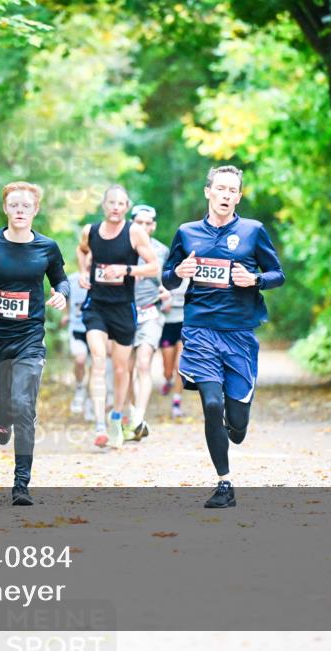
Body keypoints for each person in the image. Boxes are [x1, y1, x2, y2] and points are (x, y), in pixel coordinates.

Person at [162, 166, 284, 508]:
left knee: (238, 427)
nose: (226, 195)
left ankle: (237, 423)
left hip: (239, 333)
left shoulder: (252, 231)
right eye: (221, 188)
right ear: (208, 192)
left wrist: (255, 280)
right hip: (200, 330)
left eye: (233, 190)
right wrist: (178, 272)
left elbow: (277, 274)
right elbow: (168, 278)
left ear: (239, 197)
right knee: (212, 405)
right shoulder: (187, 233)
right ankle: (224, 483)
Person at [0, 181, 69, 506]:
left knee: (24, 406)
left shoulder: (47, 247)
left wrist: (62, 294)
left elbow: (61, 279)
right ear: (5, 208)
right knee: (4, 404)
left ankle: (21, 485)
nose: (20, 210)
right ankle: (0, 417)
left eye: (26, 206)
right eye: (14, 205)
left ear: (36, 210)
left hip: (30, 337)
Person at [76, 185, 160, 449]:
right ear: (104, 205)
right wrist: (83, 272)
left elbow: (154, 266)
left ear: (126, 207)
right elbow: (82, 251)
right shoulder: (90, 231)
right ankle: (99, 425)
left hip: (123, 308)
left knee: (122, 369)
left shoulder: (134, 232)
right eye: (111, 202)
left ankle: (116, 417)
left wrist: (126, 270)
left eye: (120, 203)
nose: (115, 207)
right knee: (99, 359)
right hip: (96, 306)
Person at [126, 204, 170, 442]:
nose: (143, 227)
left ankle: (139, 418)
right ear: (131, 223)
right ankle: (132, 416)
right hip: (124, 313)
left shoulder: (162, 250)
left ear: (153, 226)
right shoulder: (122, 246)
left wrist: (167, 291)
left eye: (147, 223)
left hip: (150, 313)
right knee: (127, 369)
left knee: (144, 364)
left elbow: (170, 279)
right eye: (139, 222)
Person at [160, 276, 190, 418]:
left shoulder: (192, 276)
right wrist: (163, 303)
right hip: (167, 324)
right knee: (168, 370)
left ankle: (176, 402)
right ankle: (168, 380)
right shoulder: (166, 274)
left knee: (180, 366)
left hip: (185, 324)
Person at [65, 270, 92, 419]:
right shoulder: (72, 279)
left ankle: (90, 402)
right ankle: (80, 387)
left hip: (95, 329)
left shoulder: (101, 276)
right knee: (80, 360)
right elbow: (65, 297)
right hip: (76, 328)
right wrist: (66, 315)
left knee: (95, 367)